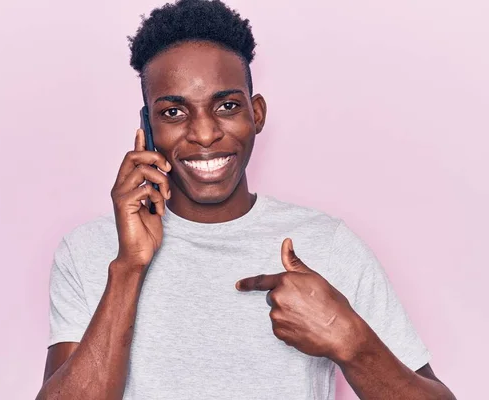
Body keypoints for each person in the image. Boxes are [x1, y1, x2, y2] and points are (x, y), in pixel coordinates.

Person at [36, 0, 456, 399]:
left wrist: (351, 342)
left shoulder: (327, 244)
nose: (204, 134)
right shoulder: (89, 251)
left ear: (256, 114)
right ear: (146, 124)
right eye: (173, 113)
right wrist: (128, 268)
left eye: (227, 105)